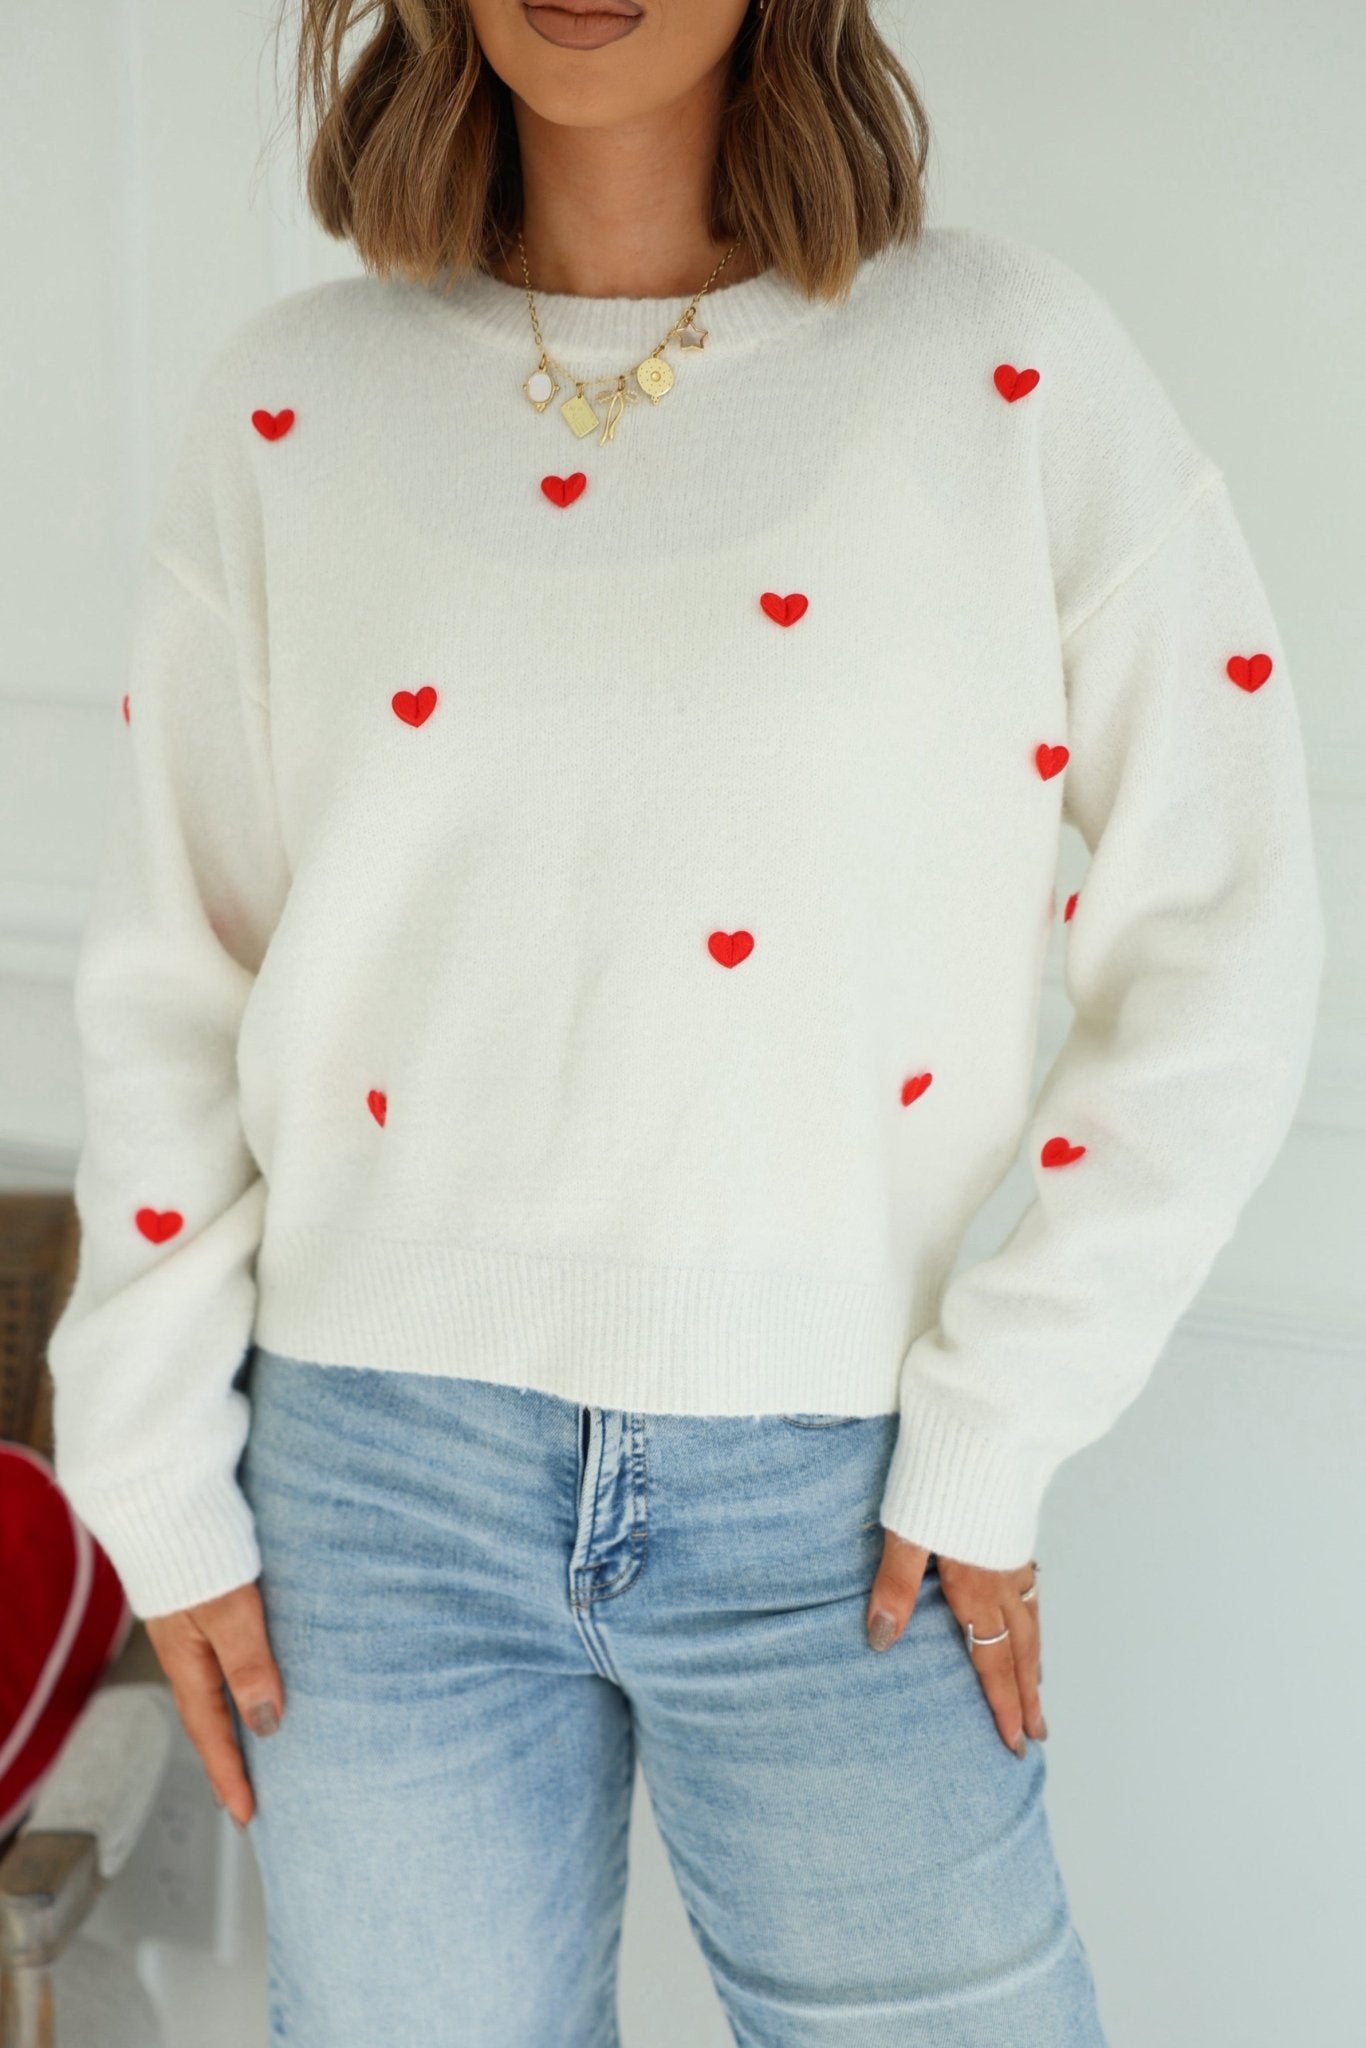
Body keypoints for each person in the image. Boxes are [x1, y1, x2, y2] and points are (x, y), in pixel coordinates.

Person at [44, 1, 1325, 2041]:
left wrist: (997, 1422)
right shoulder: (290, 403)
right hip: (368, 1488)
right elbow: (172, 976)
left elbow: (1224, 928)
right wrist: (154, 1476)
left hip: (845, 1498)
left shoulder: (1004, 368)